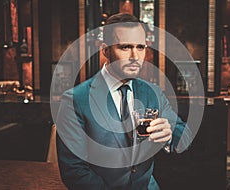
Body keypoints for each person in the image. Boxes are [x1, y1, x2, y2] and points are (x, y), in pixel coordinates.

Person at [55, 13, 191, 190]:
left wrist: (170, 134)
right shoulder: (74, 100)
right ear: (106, 50)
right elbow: (74, 172)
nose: (135, 56)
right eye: (125, 47)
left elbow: (184, 136)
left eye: (141, 47)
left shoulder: (153, 93)